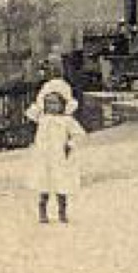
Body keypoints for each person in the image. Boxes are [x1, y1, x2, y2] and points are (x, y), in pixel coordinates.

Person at [24, 77, 86, 224]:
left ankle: (62, 212)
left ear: (63, 104)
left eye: (55, 103)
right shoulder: (42, 118)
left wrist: (70, 145)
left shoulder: (67, 120)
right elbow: (30, 113)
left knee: (61, 184)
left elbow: (79, 134)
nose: (51, 106)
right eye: (48, 103)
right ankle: (42, 211)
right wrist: (40, 102)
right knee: (44, 184)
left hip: (59, 157)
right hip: (44, 157)